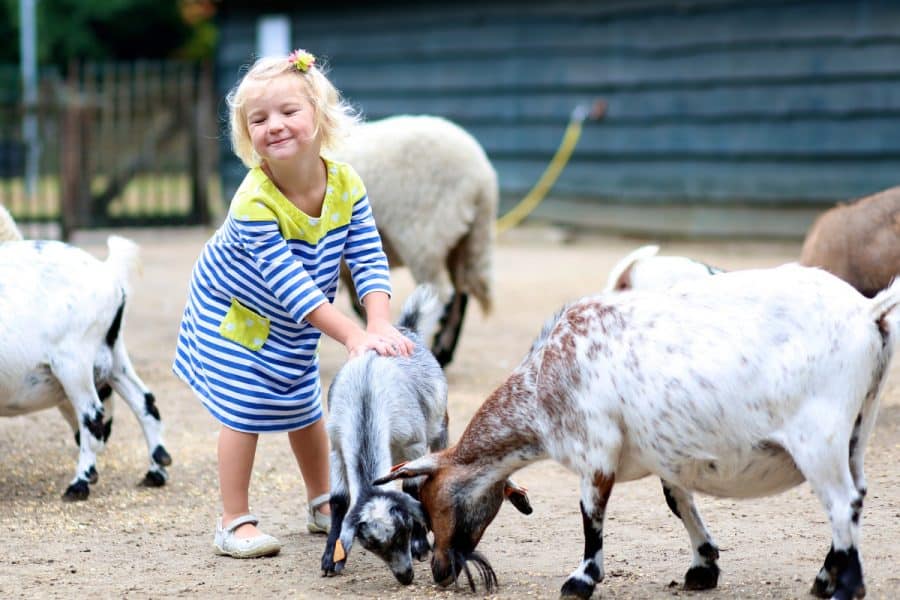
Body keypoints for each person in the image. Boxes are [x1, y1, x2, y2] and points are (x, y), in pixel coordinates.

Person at [173, 49, 415, 559]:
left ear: (320, 117)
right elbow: (291, 286)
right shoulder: (253, 200)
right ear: (247, 136)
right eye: (258, 120)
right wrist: (351, 335)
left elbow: (369, 258)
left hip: (294, 320)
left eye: (289, 112)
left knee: (303, 401)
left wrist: (378, 323)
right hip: (235, 312)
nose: (274, 126)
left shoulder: (347, 184)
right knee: (246, 405)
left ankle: (323, 500)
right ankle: (232, 519)